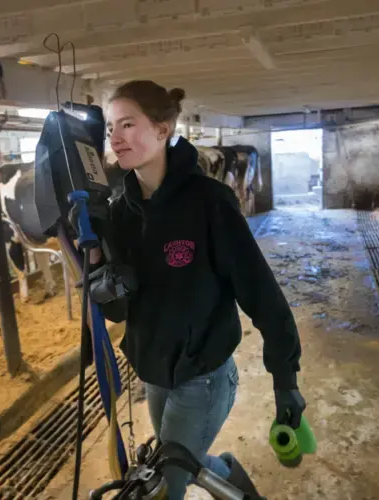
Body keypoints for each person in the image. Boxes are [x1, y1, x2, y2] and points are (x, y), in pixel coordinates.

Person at [98, 80, 306, 498]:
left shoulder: (210, 202)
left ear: (162, 129)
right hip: (154, 372)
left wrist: (285, 377)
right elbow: (119, 312)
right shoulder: (118, 212)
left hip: (202, 377)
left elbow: (260, 292)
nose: (115, 139)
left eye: (127, 124)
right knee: (182, 464)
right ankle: (233, 479)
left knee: (162, 489)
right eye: (109, 128)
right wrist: (98, 271)